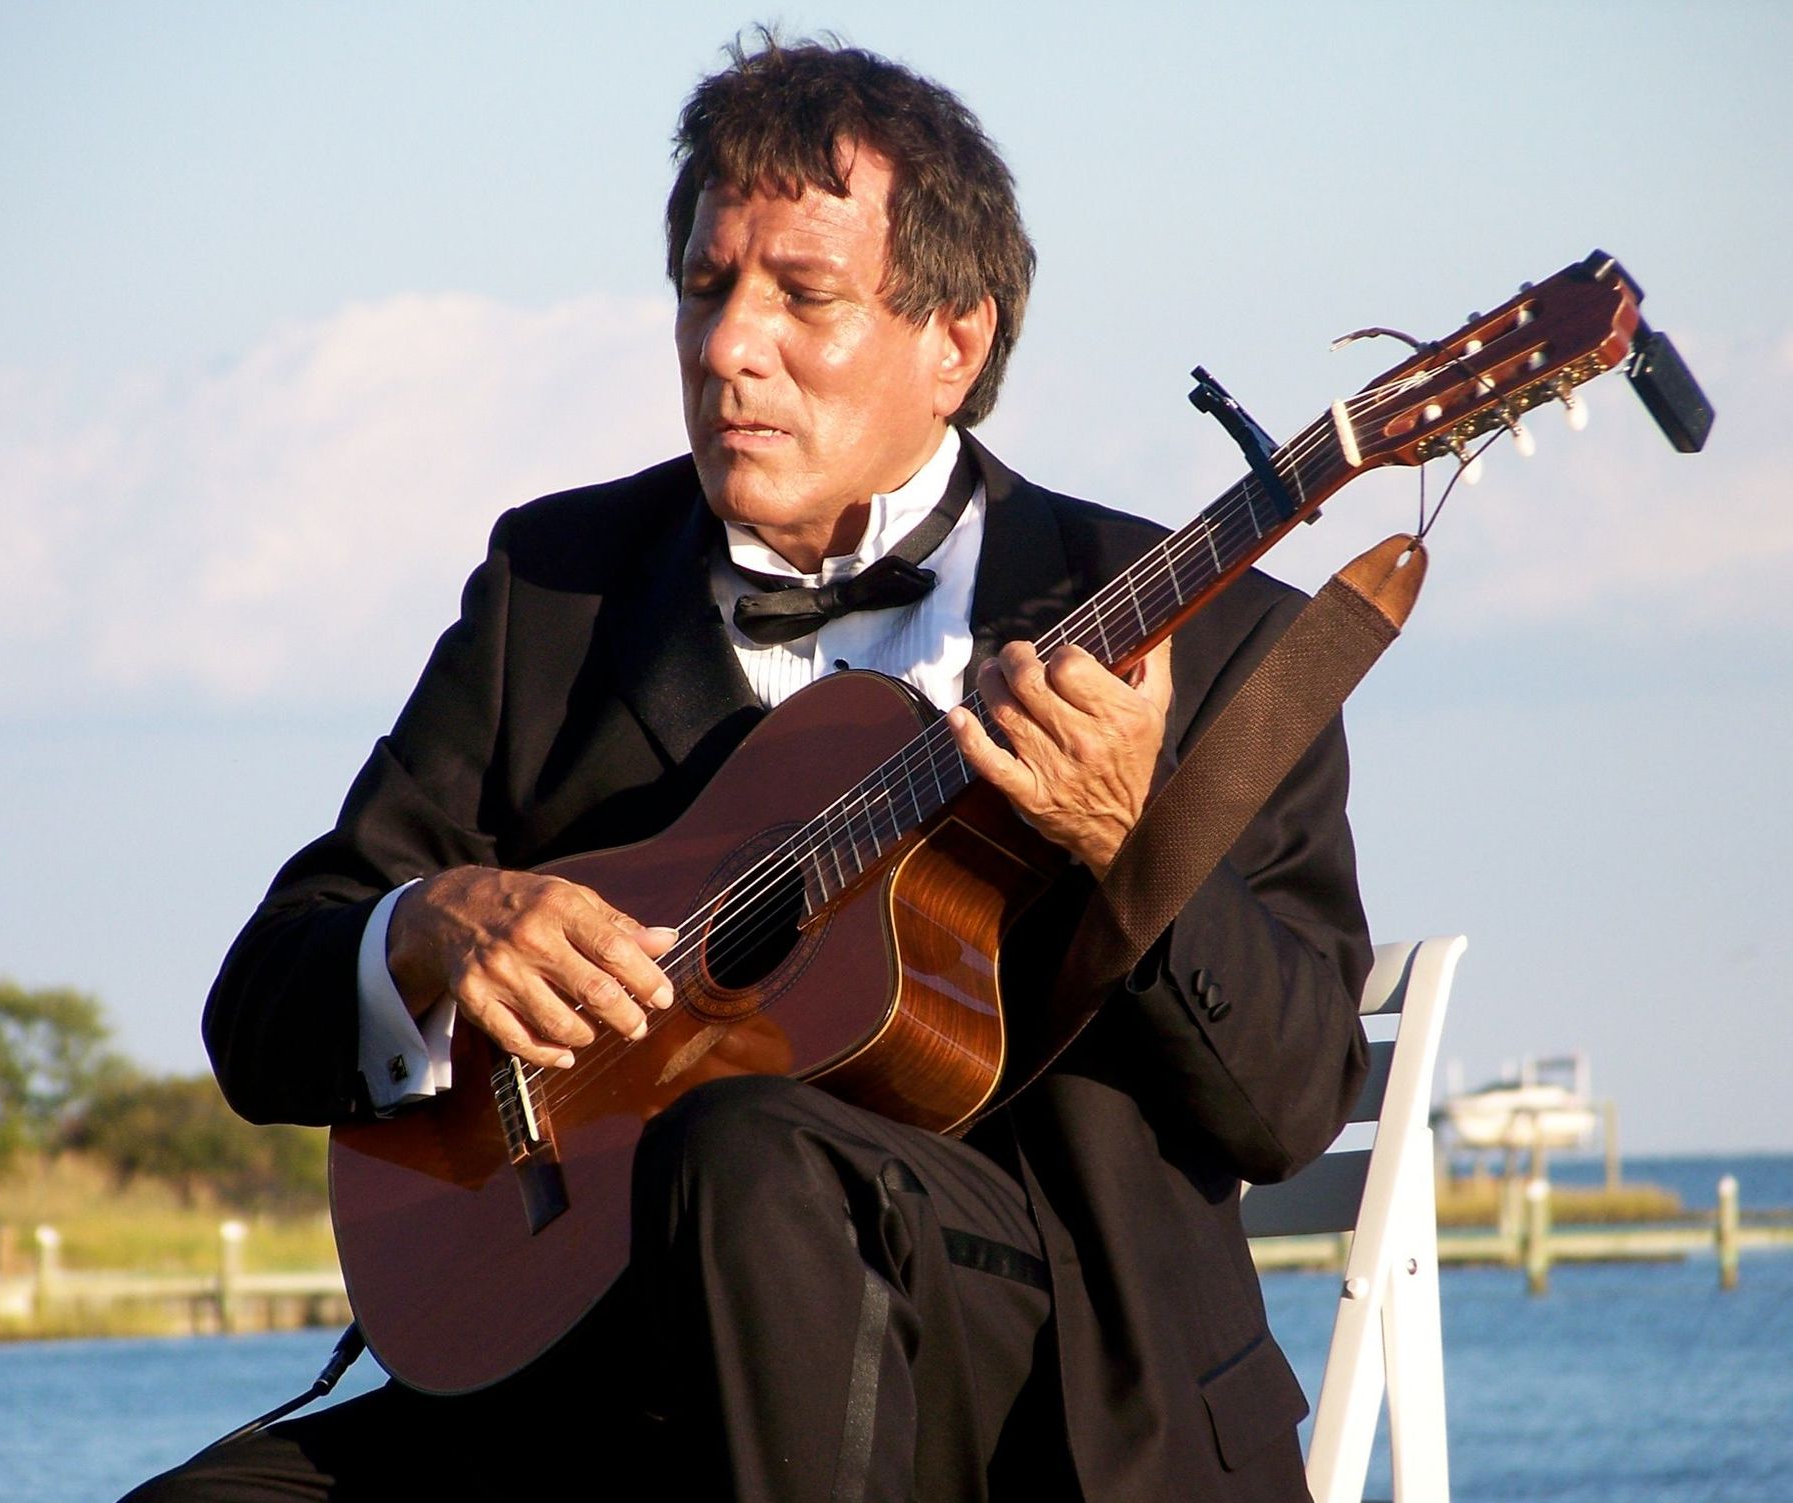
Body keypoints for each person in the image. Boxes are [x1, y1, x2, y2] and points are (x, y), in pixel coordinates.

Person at [130, 34, 1370, 1503]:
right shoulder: (559, 590)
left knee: (748, 1149)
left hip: (1056, 1393)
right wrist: (430, 930)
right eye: (706, 287)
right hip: (591, 1388)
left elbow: (1291, 1101)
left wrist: (1125, 839)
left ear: (954, 341)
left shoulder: (1207, 638)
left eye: (803, 295)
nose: (728, 346)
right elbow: (261, 1007)